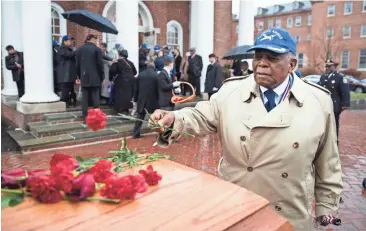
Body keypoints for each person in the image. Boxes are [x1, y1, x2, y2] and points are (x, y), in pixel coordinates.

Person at [150, 28, 342, 231]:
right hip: (236, 208)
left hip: (289, 214)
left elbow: (328, 162)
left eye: (272, 57)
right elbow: (200, 116)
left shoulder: (317, 101)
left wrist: (326, 212)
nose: (262, 63)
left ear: (292, 64)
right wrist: (174, 119)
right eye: (258, 56)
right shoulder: (231, 91)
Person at [318, 59, 350, 143]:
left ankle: (334, 140)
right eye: (327, 66)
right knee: (323, 122)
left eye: (329, 66)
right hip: (323, 104)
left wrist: (345, 104)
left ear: (335, 67)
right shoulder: (323, 76)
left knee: (334, 122)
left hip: (334, 104)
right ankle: (324, 140)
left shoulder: (340, 77)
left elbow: (345, 91)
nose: (328, 68)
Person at [76, 34, 104, 122]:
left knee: (85, 98)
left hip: (84, 76)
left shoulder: (80, 49)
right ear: (93, 39)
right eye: (96, 40)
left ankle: (85, 117)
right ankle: (96, 117)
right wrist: (102, 76)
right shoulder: (97, 49)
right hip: (95, 76)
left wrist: (78, 76)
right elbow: (100, 65)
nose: (96, 42)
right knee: (95, 96)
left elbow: (77, 64)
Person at [132, 61, 160, 139]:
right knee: (157, 118)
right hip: (153, 100)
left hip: (142, 100)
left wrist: (135, 99)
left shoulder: (140, 75)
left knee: (139, 117)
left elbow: (136, 89)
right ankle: (159, 133)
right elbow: (158, 89)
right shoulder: (156, 76)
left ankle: (135, 133)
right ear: (154, 68)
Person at [109, 49, 137, 114]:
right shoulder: (130, 62)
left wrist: (111, 79)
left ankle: (120, 109)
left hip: (121, 80)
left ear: (119, 55)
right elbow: (135, 72)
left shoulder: (117, 62)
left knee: (120, 95)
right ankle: (126, 109)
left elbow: (112, 70)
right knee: (128, 95)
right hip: (131, 81)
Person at [57, 35, 77, 106]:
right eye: (70, 41)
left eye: (71, 41)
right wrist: (77, 51)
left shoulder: (69, 49)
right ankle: (65, 103)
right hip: (64, 75)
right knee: (65, 91)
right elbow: (69, 55)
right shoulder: (61, 49)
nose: (71, 42)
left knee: (71, 89)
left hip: (69, 75)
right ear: (65, 41)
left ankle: (70, 101)